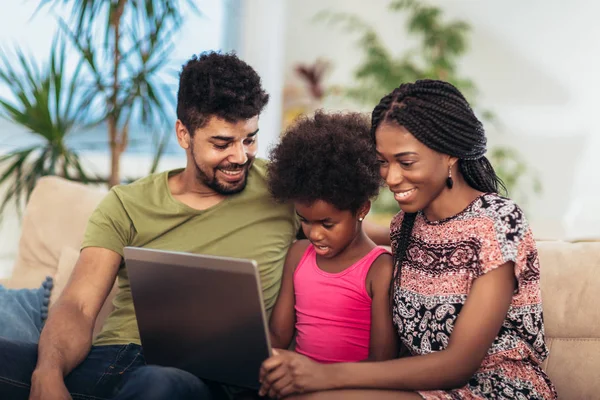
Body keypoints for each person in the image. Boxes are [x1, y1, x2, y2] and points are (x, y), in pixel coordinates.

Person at [0, 51, 389, 400]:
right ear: (183, 134)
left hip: (204, 380)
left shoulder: (286, 189)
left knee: (159, 384)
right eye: (222, 143)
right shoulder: (126, 204)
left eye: (249, 139)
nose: (240, 156)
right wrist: (46, 373)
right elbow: (79, 306)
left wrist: (426, 232)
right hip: (112, 361)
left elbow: (349, 228)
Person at [259, 80, 558, 400]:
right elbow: (351, 229)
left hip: (494, 389)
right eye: (383, 162)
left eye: (406, 162)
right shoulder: (406, 226)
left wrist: (323, 375)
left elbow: (459, 364)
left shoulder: (499, 223)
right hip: (424, 388)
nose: (390, 177)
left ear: (449, 155)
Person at [267, 111, 397, 364]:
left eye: (327, 224)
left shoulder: (379, 268)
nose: (314, 234)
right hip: (296, 385)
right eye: (304, 220)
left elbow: (381, 361)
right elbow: (278, 337)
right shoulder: (298, 255)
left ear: (361, 209)